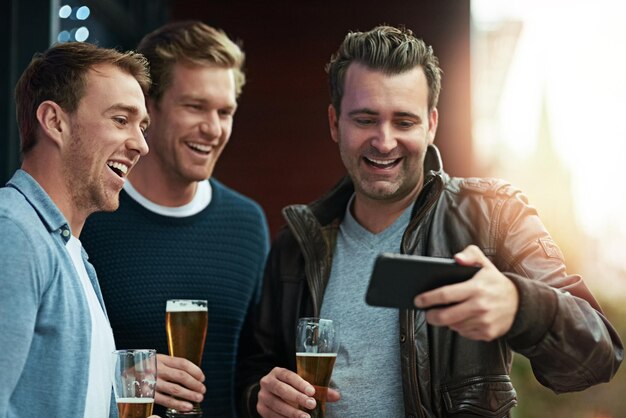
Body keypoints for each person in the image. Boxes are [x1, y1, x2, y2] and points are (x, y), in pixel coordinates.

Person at [236, 25, 624, 417]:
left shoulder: (494, 214)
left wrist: (521, 305)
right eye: (365, 120)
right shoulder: (297, 243)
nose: (384, 141)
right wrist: (259, 397)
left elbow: (599, 355)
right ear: (335, 123)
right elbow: (254, 369)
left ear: (431, 124)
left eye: (404, 122)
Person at [81, 21, 270, 417]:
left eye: (225, 111)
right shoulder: (90, 216)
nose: (213, 129)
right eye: (195, 106)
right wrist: (125, 376)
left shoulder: (248, 225)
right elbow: (52, 360)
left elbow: (252, 369)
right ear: (149, 107)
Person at [0, 42, 151, 417]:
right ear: (54, 121)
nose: (141, 145)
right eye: (121, 119)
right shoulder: (14, 233)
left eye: (142, 125)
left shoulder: (73, 254)